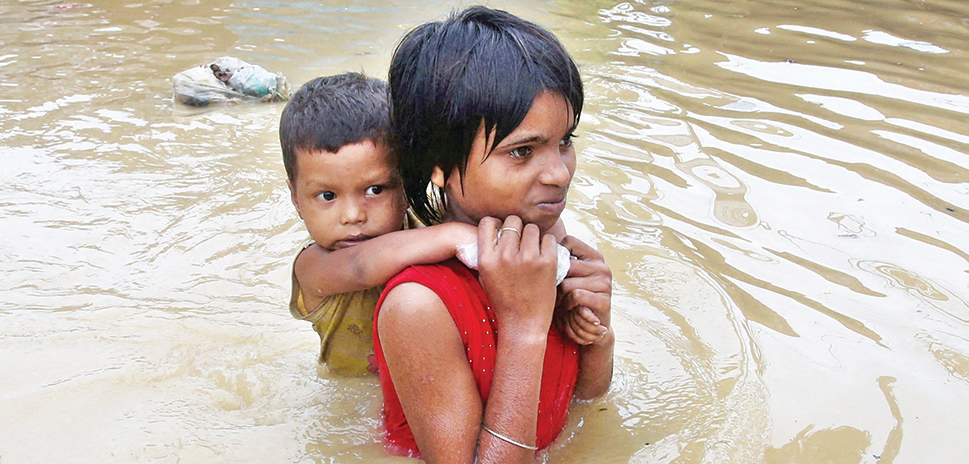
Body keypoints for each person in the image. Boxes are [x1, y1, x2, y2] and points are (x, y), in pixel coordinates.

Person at [373, 6, 614, 463]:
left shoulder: (548, 247)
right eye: (522, 151)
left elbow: (585, 410)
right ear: (440, 166)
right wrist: (525, 327)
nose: (560, 172)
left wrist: (598, 335)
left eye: (565, 140)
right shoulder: (420, 305)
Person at [279, 72, 601, 375]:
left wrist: (562, 271)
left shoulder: (422, 224)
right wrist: (455, 236)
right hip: (352, 399)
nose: (352, 215)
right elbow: (361, 266)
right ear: (296, 199)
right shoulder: (313, 267)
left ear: (407, 184)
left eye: (375, 190)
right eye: (326, 196)